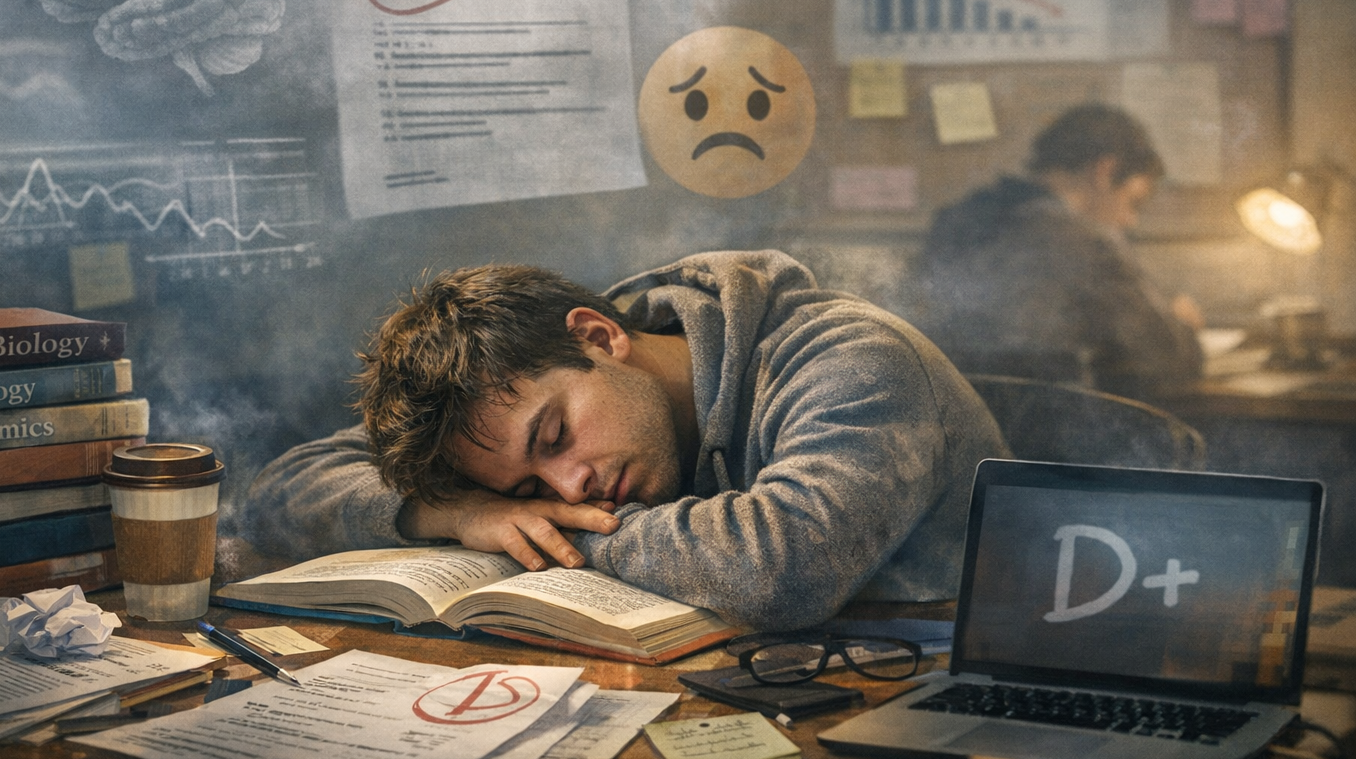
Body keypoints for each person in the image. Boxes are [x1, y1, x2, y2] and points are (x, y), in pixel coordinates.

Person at [242, 250, 1007, 631]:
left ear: (601, 337)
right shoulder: (512, 395)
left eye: (555, 437)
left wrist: (547, 535)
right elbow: (282, 490)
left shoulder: (851, 359)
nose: (567, 487)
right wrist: (464, 511)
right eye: (530, 489)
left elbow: (781, 567)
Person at [900, 104, 1204, 396]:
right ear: (1104, 171)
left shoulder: (958, 218)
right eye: (1133, 202)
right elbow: (1171, 360)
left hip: (952, 418)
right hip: (1044, 424)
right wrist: (1179, 322)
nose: (1130, 220)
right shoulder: (1082, 241)